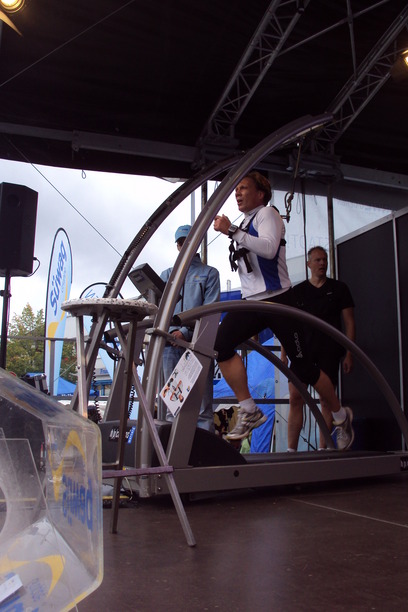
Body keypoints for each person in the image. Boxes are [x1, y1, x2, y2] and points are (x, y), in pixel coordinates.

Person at [213, 171, 354, 449]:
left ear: (260, 194)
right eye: (236, 189)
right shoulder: (246, 222)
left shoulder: (268, 214)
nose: (237, 193)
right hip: (253, 302)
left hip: (279, 301)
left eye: (244, 188)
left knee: (305, 369)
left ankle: (340, 416)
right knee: (222, 346)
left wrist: (232, 230)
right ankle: (249, 409)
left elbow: (268, 249)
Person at [281, 246, 356, 451]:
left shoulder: (339, 289)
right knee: (295, 397)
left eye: (324, 260)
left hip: (329, 351)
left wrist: (349, 353)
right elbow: (288, 324)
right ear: (309, 264)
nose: (322, 263)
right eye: (317, 260)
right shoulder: (298, 292)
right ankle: (291, 451)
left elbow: (350, 322)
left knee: (326, 400)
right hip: (302, 351)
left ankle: (323, 450)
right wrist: (284, 354)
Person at [160, 225, 220, 432]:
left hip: (197, 346)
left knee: (202, 407)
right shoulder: (167, 275)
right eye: (180, 242)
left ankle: (202, 449)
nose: (184, 245)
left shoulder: (209, 273)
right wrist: (169, 333)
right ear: (177, 246)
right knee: (171, 406)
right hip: (169, 346)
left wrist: (184, 333)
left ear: (196, 243)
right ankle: (168, 449)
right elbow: (157, 308)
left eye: (188, 240)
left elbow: (210, 311)